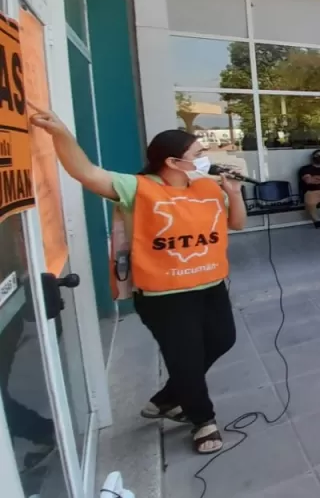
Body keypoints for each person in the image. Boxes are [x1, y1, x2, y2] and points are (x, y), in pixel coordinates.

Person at [31, 106, 244, 455]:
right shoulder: (137, 188)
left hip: (210, 286)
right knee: (185, 357)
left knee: (222, 340)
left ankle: (168, 397)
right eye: (197, 154)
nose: (205, 159)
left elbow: (237, 224)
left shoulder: (205, 187)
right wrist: (61, 134)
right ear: (173, 162)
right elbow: (85, 172)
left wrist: (233, 193)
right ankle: (202, 419)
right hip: (164, 294)